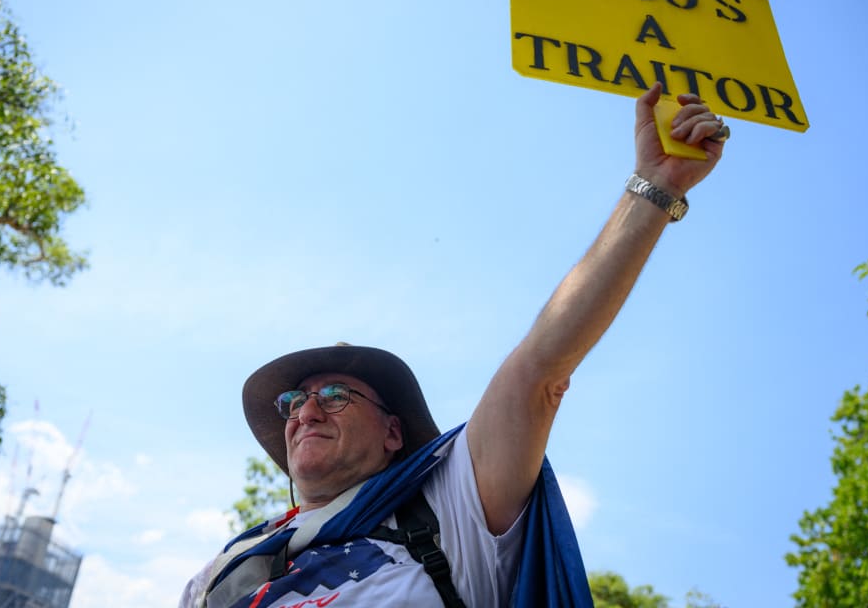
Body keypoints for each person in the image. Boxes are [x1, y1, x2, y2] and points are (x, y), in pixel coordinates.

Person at [178, 82, 728, 608]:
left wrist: (655, 187)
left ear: (393, 432)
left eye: (335, 394)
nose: (307, 411)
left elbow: (538, 369)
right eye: (294, 401)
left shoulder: (448, 509)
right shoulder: (224, 569)